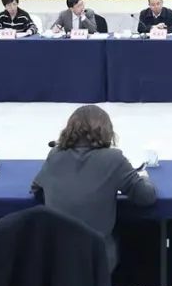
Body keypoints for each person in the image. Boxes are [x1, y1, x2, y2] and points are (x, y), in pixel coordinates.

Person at [31, 105, 157, 274]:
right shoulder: (114, 159)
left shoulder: (55, 155)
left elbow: (36, 188)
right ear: (107, 131)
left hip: (55, 257)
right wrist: (145, 179)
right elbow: (146, 197)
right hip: (96, 258)